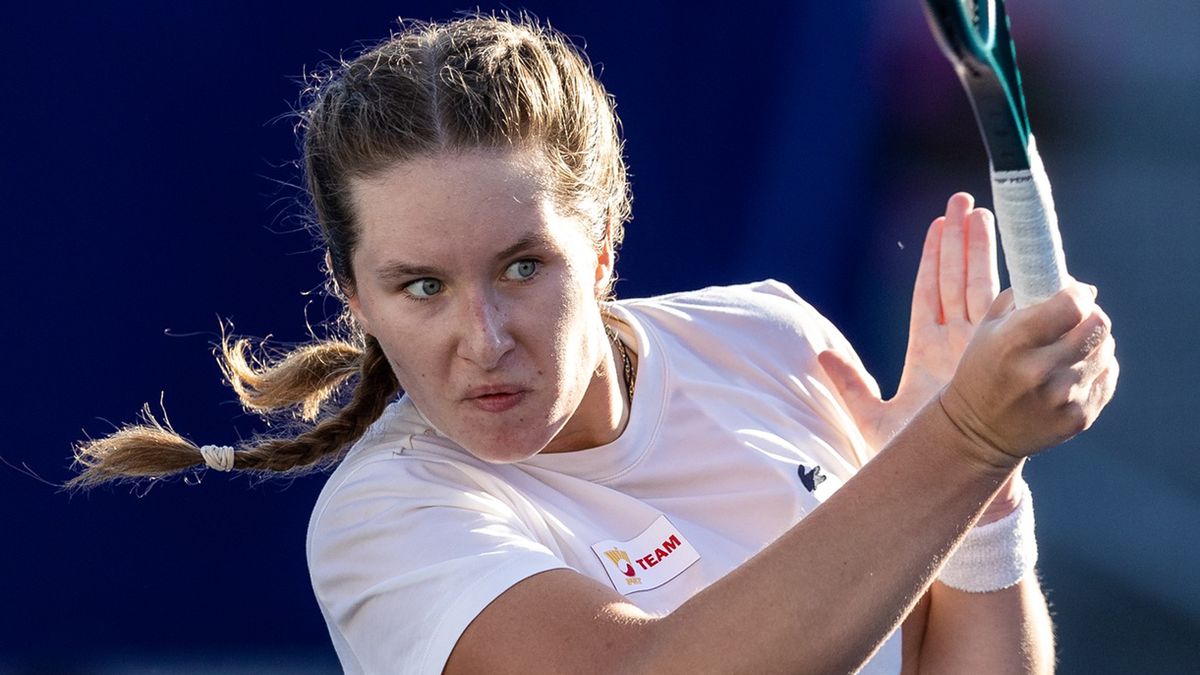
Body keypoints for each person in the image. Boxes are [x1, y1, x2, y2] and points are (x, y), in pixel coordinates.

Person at [69, 14, 1117, 674]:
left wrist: (982, 500)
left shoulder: (771, 338)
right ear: (356, 297)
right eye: (420, 287)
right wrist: (963, 445)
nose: (484, 339)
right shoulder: (387, 523)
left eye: (525, 266)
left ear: (605, 247)